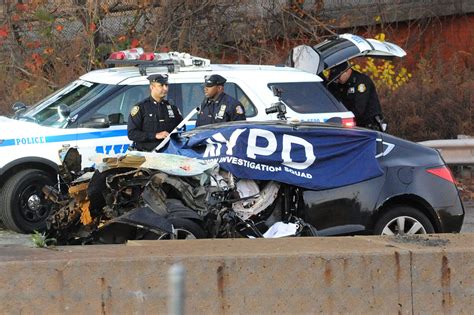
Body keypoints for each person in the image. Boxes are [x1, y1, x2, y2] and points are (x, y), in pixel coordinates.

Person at [127, 73, 183, 151]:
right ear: (152, 87)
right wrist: (155, 135)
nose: (165, 88)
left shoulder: (172, 107)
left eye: (166, 85)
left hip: (168, 155)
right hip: (147, 155)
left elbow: (181, 127)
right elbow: (132, 134)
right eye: (161, 85)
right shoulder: (141, 108)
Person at [327, 62, 386, 131]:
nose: (337, 80)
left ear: (347, 71)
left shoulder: (361, 82)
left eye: (338, 77)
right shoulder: (341, 84)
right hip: (354, 126)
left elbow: (359, 109)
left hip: (369, 126)